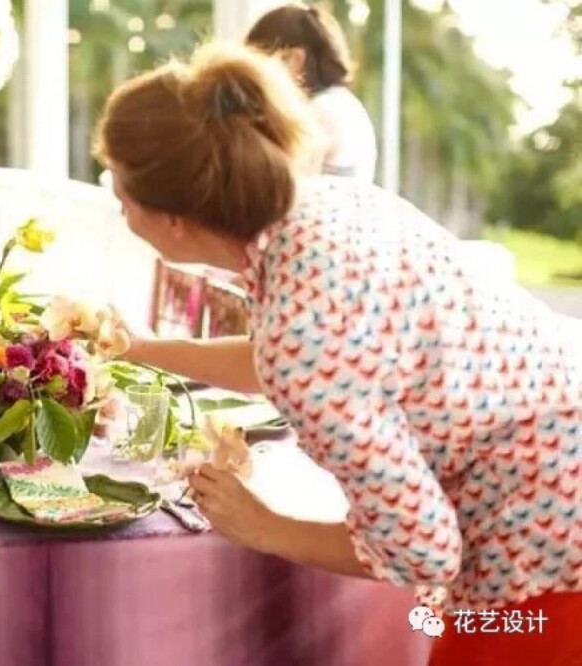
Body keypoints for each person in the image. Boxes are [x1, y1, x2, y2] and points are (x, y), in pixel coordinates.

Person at [94, 42, 582, 666]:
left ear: (174, 222)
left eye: (122, 191)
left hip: (547, 562)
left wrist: (261, 527)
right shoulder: (322, 209)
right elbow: (302, 357)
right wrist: (143, 349)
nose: (117, 206)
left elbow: (424, 551)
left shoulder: (302, 331)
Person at [246, 3, 377, 181]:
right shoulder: (340, 102)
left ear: (296, 59)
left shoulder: (322, 111)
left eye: (258, 65)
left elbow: (282, 186)